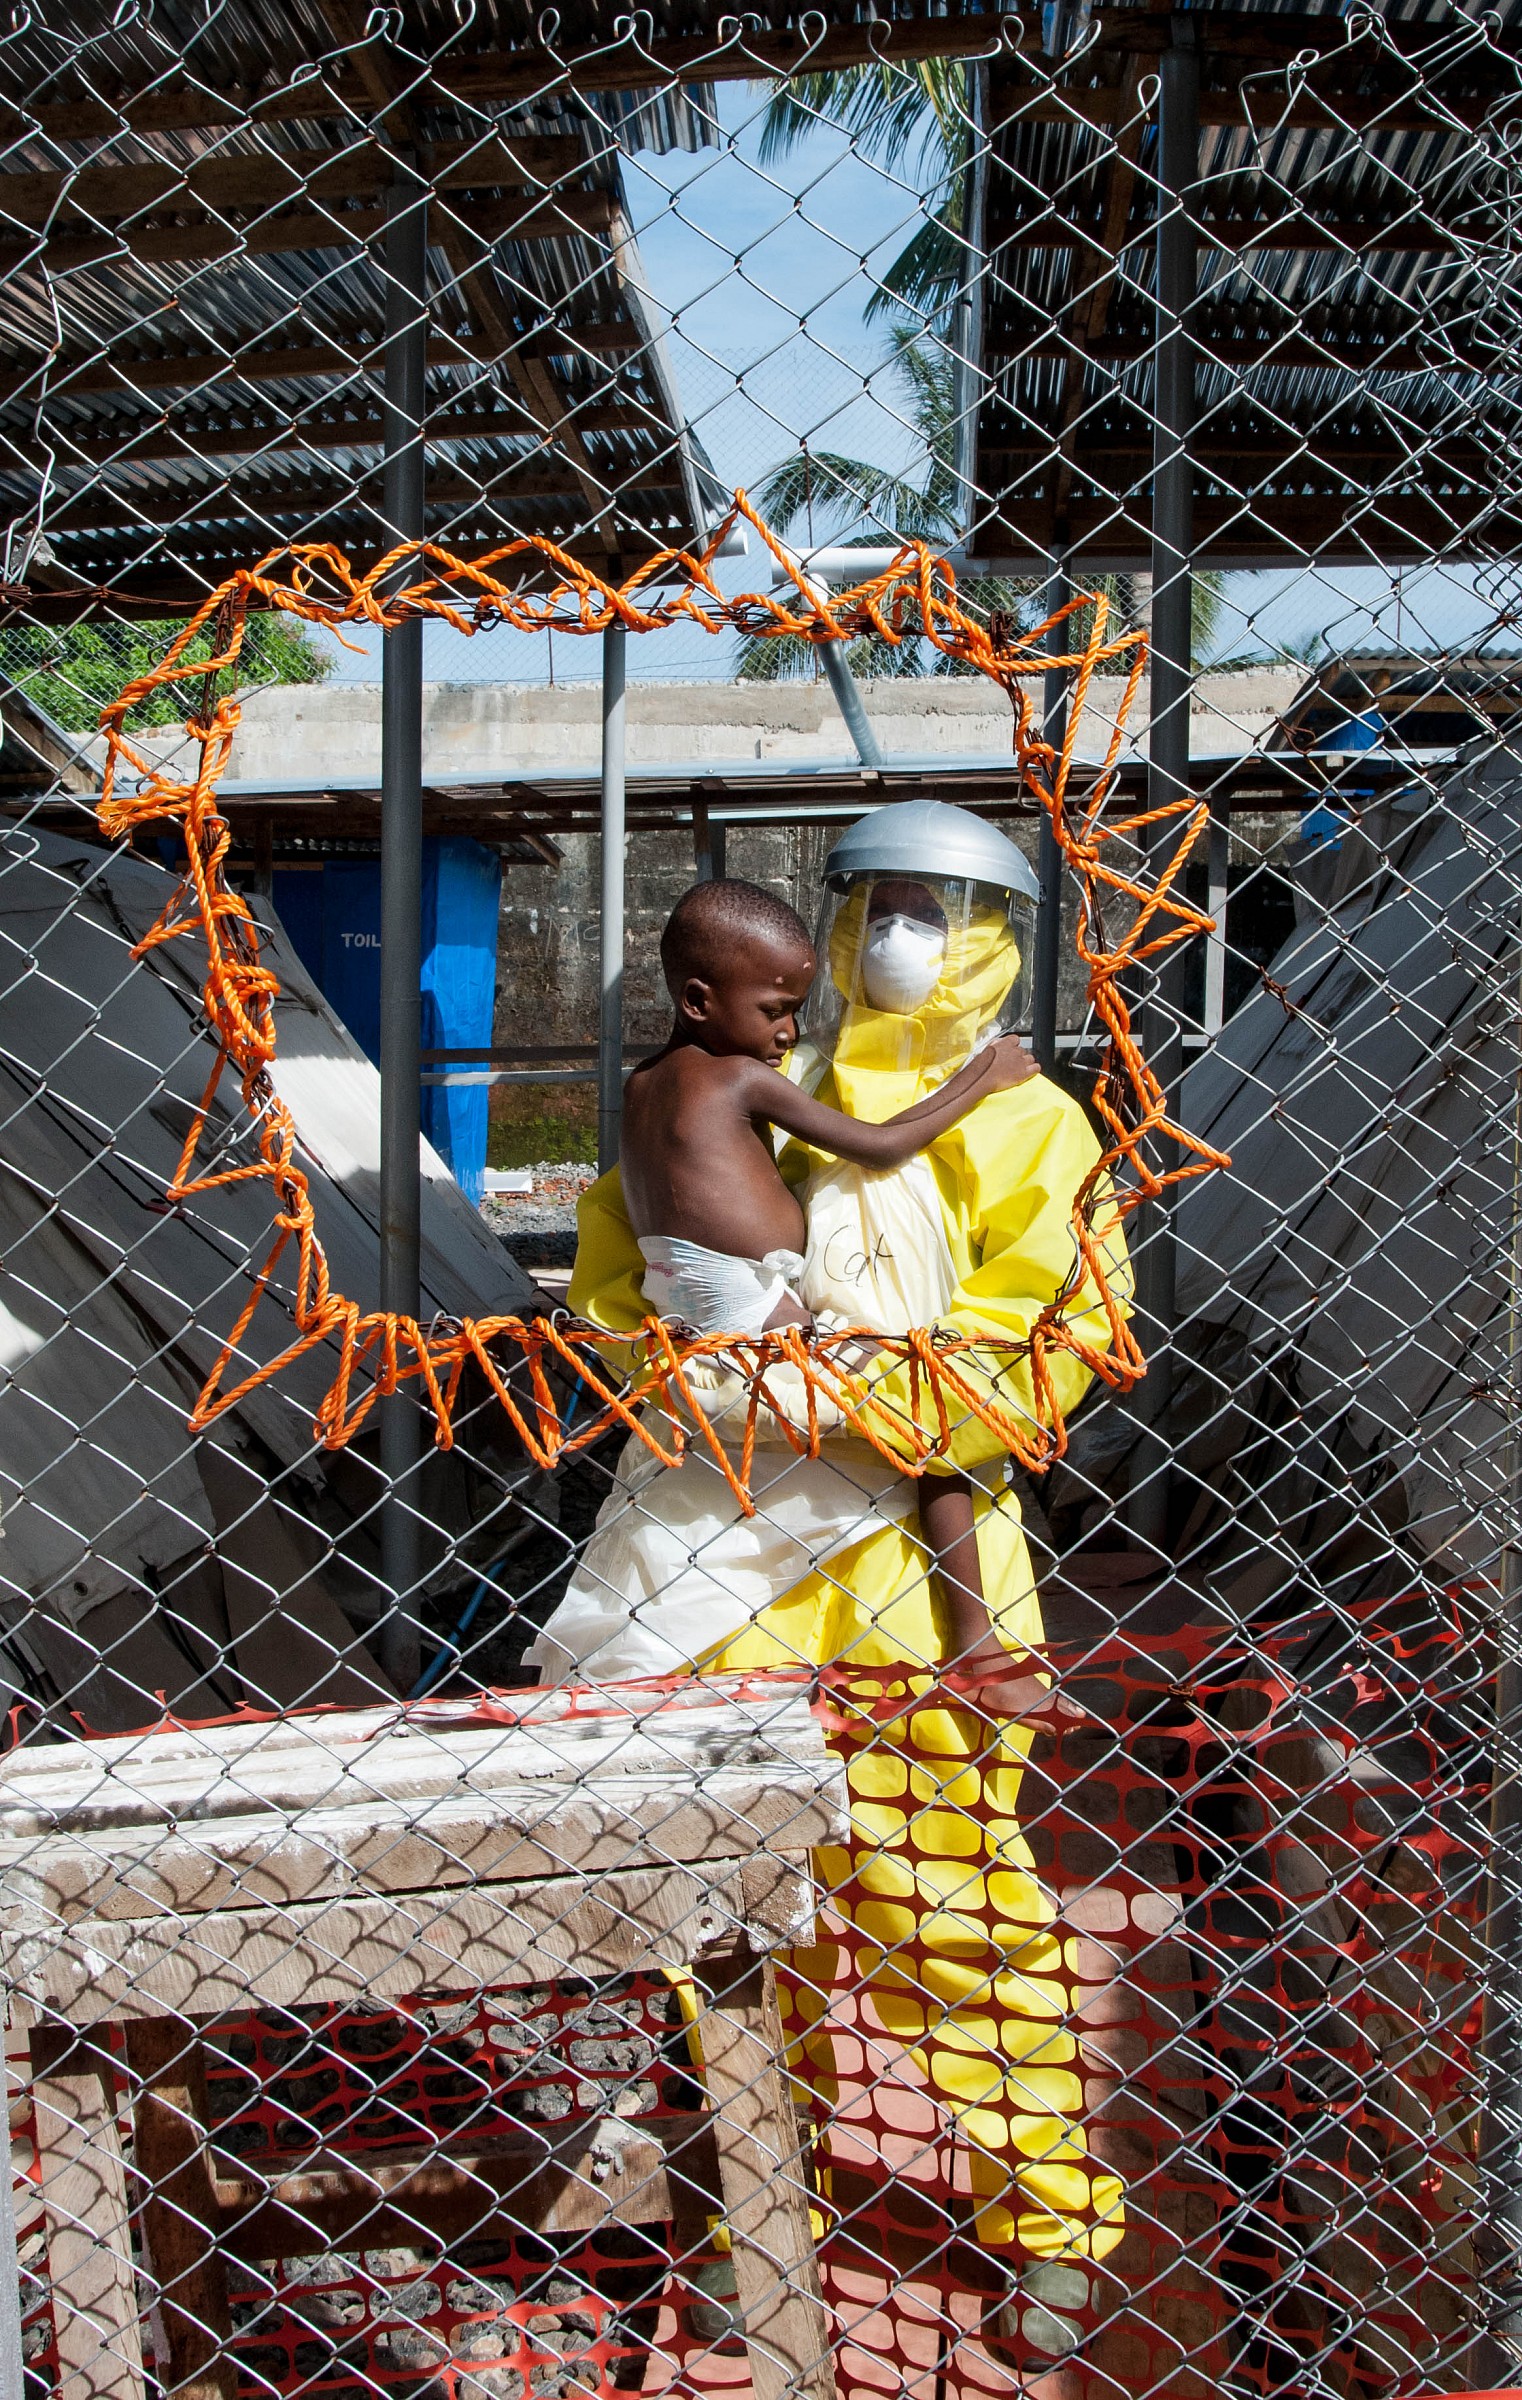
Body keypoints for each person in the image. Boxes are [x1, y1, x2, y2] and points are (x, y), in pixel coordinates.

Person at [529, 799, 1131, 2383]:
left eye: (950, 906)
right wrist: (697, 1375)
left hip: (912, 1575)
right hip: (727, 1554)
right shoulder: (729, 1085)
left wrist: (838, 1401)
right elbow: (619, 1277)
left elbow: (1049, 1336)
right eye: (881, 897)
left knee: (955, 1910)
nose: (909, 936)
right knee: (732, 1916)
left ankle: (1050, 2220)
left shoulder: (1029, 1125)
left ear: (1006, 939)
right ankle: (746, 2208)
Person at [617, 873, 1040, 1689]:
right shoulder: (737, 1079)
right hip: (754, 1309)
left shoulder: (642, 1084)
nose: (792, 1030)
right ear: (701, 1002)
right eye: (775, 1010)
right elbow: (876, 1145)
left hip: (687, 1307)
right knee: (933, 1428)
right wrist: (980, 1078)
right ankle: (978, 1645)